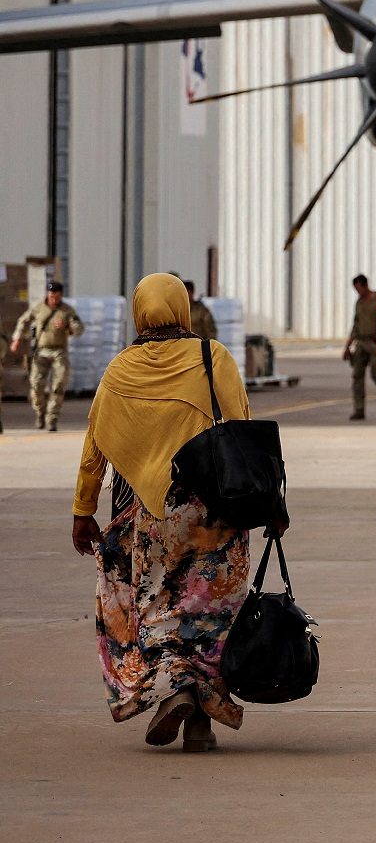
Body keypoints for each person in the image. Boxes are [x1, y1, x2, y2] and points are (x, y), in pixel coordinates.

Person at [69, 273, 259, 752]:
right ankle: (201, 720)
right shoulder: (211, 356)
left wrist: (83, 508)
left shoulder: (120, 370)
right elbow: (242, 428)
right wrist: (270, 504)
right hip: (214, 510)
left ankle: (172, 690)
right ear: (182, 307)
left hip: (150, 515)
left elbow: (95, 446)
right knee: (210, 613)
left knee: (155, 606)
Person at [10, 278, 84, 433]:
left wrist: (68, 326)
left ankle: (52, 418)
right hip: (41, 351)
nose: (53, 299)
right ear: (47, 294)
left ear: (61, 295)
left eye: (56, 296)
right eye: (51, 296)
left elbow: (79, 329)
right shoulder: (38, 308)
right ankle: (40, 413)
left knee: (59, 385)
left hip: (59, 351)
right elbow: (23, 321)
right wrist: (17, 338)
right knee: (36, 385)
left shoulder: (67, 310)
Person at [343, 274, 376, 421]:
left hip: (375, 343)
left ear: (365, 285)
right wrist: (347, 346)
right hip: (361, 343)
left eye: (359, 288)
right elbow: (355, 326)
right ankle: (359, 409)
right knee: (357, 376)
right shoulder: (359, 303)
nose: (358, 292)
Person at [182, 277, 218, 345]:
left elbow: (211, 331)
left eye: (187, 292)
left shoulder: (202, 311)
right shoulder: (178, 310)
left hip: (199, 347)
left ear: (192, 293)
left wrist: (210, 347)